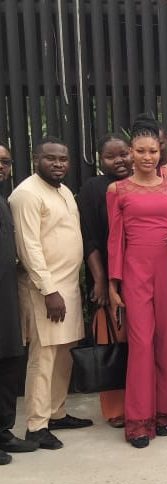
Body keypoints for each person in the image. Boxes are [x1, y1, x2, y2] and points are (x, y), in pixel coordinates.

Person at [9, 138, 92, 451]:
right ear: (35, 159)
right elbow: (28, 247)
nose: (58, 164)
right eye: (50, 158)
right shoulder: (27, 194)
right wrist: (49, 290)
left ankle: (56, 413)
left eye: (63, 159)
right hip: (45, 290)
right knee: (44, 358)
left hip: (67, 286)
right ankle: (36, 425)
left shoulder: (64, 191)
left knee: (63, 355)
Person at [107, 127, 167, 448]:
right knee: (141, 344)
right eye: (140, 151)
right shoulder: (117, 189)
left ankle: (165, 411)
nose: (147, 157)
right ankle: (139, 421)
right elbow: (115, 239)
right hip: (135, 270)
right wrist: (114, 283)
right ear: (131, 152)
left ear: (160, 152)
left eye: (152, 151)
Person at [76, 134, 132, 428]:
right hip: (107, 275)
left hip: (139, 274)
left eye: (123, 153)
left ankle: (141, 401)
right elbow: (90, 239)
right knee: (112, 342)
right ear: (100, 160)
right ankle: (115, 410)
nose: (119, 160)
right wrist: (100, 280)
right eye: (111, 156)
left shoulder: (142, 184)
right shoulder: (94, 188)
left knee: (139, 344)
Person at [0, 144, 38, 463]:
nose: (1, 166)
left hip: (7, 294)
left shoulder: (3, 199)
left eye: (5, 161)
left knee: (10, 359)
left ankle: (3, 431)